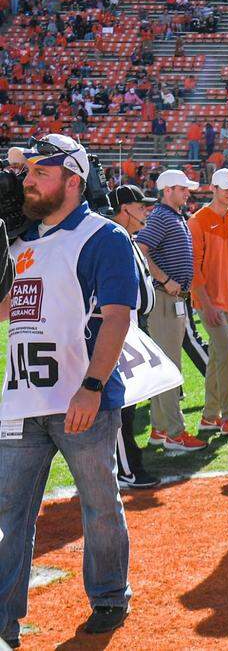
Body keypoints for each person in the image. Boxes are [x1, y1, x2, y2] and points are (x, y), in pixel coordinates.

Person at [0, 135, 138, 646]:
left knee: (100, 505)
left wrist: (93, 386)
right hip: (21, 400)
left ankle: (108, 594)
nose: (27, 181)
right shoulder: (18, 240)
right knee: (7, 515)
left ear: (72, 180)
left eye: (39, 172)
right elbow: (5, 310)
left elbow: (118, 315)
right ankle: (2, 623)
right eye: (26, 172)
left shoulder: (104, 236)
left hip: (82, 398)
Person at [136, 169, 205, 451]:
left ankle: (159, 430)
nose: (187, 193)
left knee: (166, 366)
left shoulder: (173, 216)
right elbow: (141, 248)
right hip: (165, 297)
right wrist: (164, 279)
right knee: (169, 368)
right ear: (167, 191)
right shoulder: (163, 217)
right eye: (182, 189)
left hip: (172, 298)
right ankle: (175, 434)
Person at [101, 184, 160, 489]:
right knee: (122, 404)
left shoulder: (129, 238)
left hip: (135, 328)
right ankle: (126, 469)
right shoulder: (114, 239)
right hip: (121, 329)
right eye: (140, 207)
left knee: (133, 400)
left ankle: (126, 463)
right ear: (124, 209)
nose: (145, 212)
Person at [187, 168, 228, 437]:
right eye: (225, 187)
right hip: (208, 303)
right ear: (212, 188)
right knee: (226, 356)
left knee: (217, 359)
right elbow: (193, 268)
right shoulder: (198, 220)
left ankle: (209, 417)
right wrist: (207, 304)